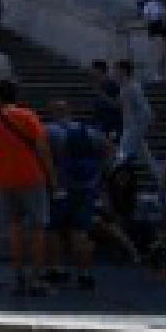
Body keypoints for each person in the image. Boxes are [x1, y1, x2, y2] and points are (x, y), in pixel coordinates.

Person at [0, 79, 57, 297]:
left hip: (3, 180)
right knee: (39, 227)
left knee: (14, 229)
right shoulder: (28, 116)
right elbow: (42, 149)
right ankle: (36, 277)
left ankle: (19, 276)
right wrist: (52, 177)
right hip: (32, 178)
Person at [46, 99, 110, 292]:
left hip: (59, 187)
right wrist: (98, 174)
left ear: (52, 112)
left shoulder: (48, 131)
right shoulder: (87, 130)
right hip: (85, 187)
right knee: (80, 231)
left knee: (56, 230)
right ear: (69, 111)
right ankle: (85, 273)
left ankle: (58, 269)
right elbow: (110, 150)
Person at [114, 59, 156, 182]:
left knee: (122, 154)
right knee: (145, 156)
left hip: (134, 127)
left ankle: (118, 181)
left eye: (116, 70)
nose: (114, 73)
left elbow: (144, 109)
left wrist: (135, 127)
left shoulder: (131, 87)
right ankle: (160, 177)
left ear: (123, 71)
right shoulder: (127, 87)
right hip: (134, 126)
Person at [142, 0, 166, 78]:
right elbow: (146, 16)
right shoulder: (150, 4)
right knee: (157, 50)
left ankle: (162, 69)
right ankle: (157, 71)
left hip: (164, 25)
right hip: (155, 25)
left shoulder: (165, 4)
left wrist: (165, 18)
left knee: (164, 50)